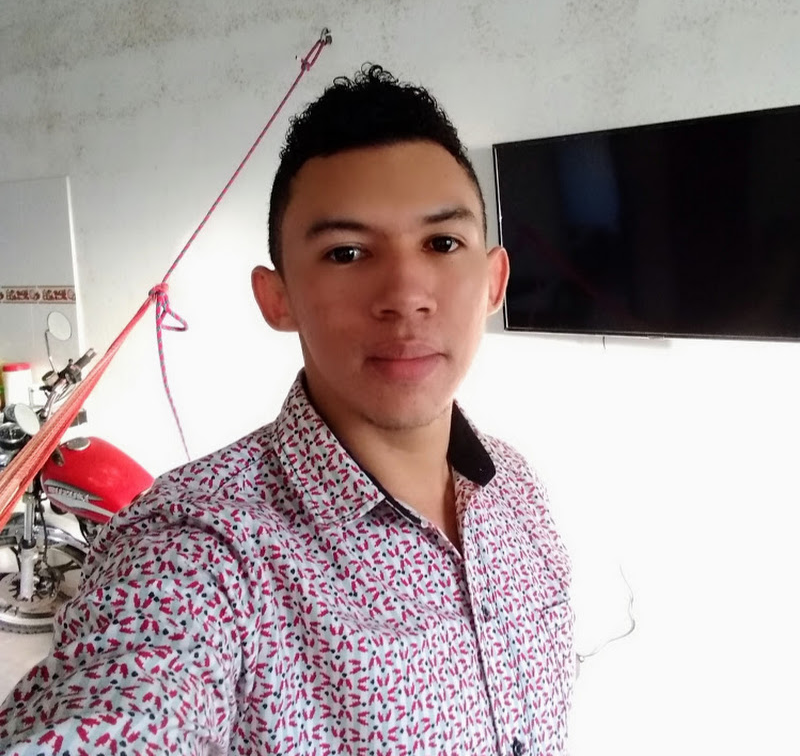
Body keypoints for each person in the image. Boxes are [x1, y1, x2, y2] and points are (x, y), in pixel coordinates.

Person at [0, 65, 574, 755]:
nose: (405, 294)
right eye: (347, 252)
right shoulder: (202, 552)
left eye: (442, 243)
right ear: (277, 299)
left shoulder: (516, 490)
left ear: (493, 281)